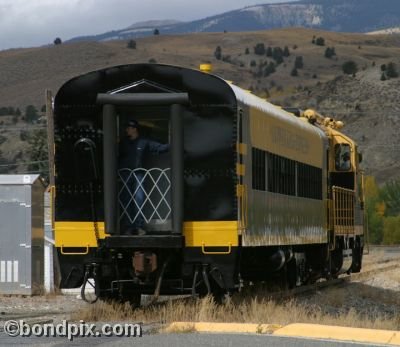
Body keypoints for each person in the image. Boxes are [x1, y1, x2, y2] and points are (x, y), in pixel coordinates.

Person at [119, 119, 169, 235]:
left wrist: (175, 142)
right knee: (126, 200)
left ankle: (139, 226)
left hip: (139, 174)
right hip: (126, 174)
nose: (126, 130)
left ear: (134, 129)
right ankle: (128, 227)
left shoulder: (144, 142)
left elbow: (159, 148)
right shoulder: (123, 143)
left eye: (128, 128)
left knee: (139, 199)